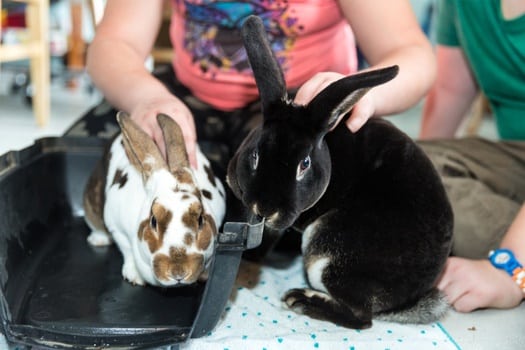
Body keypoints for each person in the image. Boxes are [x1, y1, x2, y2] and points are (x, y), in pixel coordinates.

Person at [66, 0, 435, 171]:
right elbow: (113, 44)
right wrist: (145, 98)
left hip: (302, 109)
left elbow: (413, 55)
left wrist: (366, 92)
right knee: (80, 173)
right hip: (184, 96)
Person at [418, 0, 525, 312]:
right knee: (398, 172)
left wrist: (509, 270)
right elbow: (451, 89)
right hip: (516, 153)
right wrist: (415, 180)